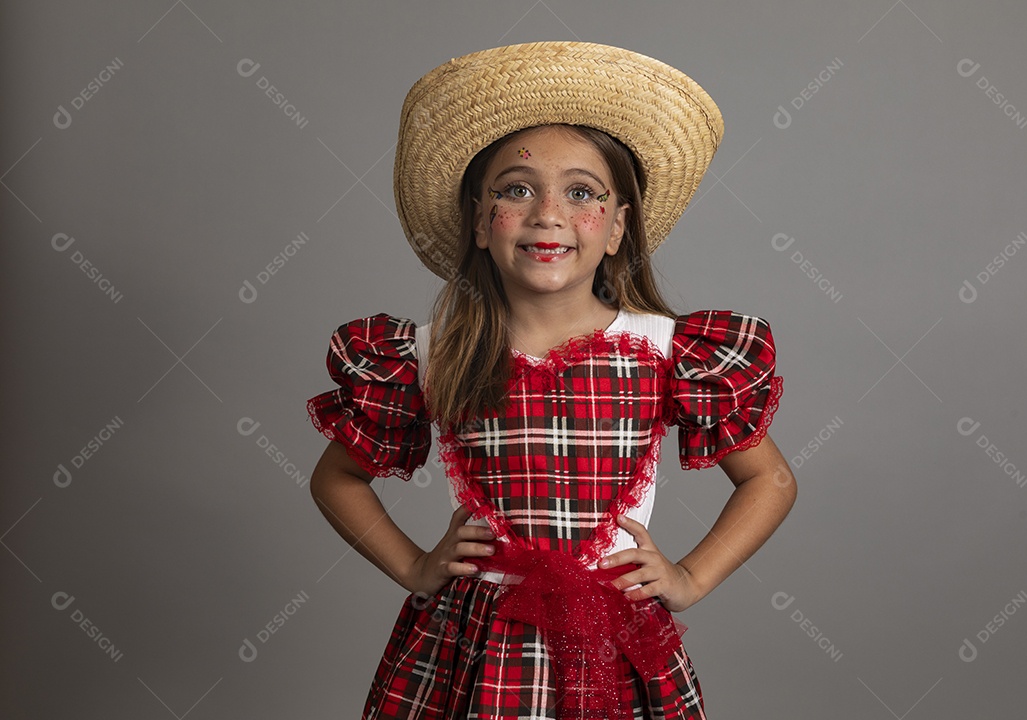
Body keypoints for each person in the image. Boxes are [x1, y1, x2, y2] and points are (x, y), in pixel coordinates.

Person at [306, 41, 797, 720]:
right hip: (476, 642)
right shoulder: (433, 354)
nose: (547, 214)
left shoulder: (664, 350)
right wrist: (418, 569)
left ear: (619, 226)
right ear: (480, 222)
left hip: (610, 640)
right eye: (516, 189)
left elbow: (769, 480)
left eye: (581, 192)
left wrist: (688, 577)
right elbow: (335, 478)